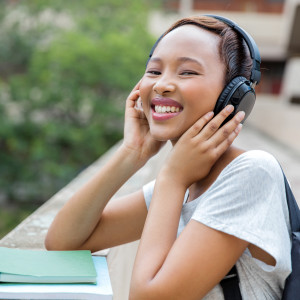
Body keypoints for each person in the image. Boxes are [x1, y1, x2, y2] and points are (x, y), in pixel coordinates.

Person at [45, 15, 292, 299]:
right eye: (153, 71)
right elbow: (63, 241)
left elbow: (149, 297)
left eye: (187, 72)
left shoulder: (250, 172)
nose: (162, 84)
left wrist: (173, 179)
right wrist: (132, 154)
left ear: (234, 95)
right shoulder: (186, 181)